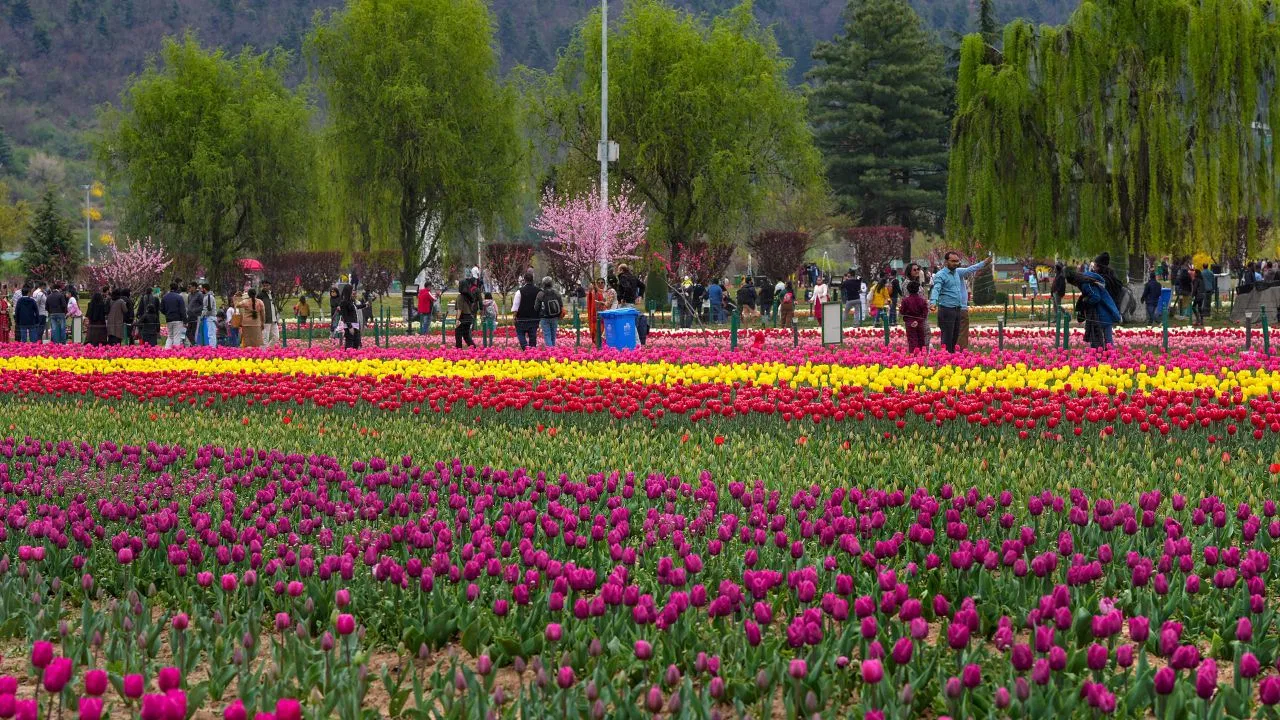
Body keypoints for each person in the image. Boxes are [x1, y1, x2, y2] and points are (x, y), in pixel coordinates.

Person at [929, 251, 991, 353]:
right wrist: (933, 301)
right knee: (947, 336)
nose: (956, 263)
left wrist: (984, 263)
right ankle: (945, 357)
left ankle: (952, 356)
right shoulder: (941, 275)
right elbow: (936, 289)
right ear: (946, 262)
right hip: (946, 309)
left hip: (957, 309)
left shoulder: (958, 272)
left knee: (955, 336)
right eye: (953, 261)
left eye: (957, 261)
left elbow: (971, 269)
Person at [1065, 265, 1120, 348]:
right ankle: (1107, 357)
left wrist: (1085, 301)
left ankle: (1109, 357)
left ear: (1074, 281)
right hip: (1105, 310)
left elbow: (1096, 297)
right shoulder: (1086, 277)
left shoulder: (1085, 284)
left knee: (1107, 340)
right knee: (1106, 340)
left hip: (1102, 312)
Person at [511, 272, 541, 350]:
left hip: (522, 318)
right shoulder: (539, 291)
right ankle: (533, 350)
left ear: (524, 280)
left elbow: (516, 306)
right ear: (532, 280)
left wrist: (514, 316)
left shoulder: (520, 291)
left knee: (520, 333)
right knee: (532, 335)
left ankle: (525, 346)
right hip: (534, 318)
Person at [901, 281, 929, 354]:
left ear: (908, 290)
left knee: (912, 340)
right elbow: (925, 313)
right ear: (918, 289)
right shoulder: (922, 301)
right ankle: (921, 356)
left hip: (909, 323)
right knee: (921, 339)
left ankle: (913, 357)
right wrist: (918, 320)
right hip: (919, 322)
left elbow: (902, 312)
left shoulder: (905, 301)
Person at [535, 277, 563, 348]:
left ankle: (551, 351)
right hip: (555, 317)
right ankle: (553, 350)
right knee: (553, 335)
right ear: (551, 283)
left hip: (544, 317)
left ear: (543, 284)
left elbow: (536, 307)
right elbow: (561, 305)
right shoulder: (556, 293)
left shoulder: (540, 294)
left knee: (547, 335)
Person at [454, 278, 477, 349]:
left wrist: (457, 320)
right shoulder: (469, 296)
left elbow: (459, 309)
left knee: (458, 335)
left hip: (462, 318)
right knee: (466, 335)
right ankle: (474, 348)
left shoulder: (460, 297)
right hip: (469, 318)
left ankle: (458, 350)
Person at [161, 283, 186, 349]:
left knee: (170, 336)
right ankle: (176, 352)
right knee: (177, 336)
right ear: (177, 288)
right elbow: (182, 310)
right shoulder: (179, 297)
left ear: (170, 288)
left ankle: (167, 350)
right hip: (178, 319)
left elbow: (161, 309)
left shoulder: (165, 297)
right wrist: (185, 320)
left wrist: (167, 313)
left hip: (169, 319)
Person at [259, 281, 279, 347]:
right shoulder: (260, 295)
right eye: (264, 286)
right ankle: (263, 354)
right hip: (266, 320)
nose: (265, 287)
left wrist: (277, 316)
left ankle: (268, 348)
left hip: (274, 319)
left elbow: (274, 306)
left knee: (276, 337)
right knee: (265, 338)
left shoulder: (272, 294)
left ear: (270, 286)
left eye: (267, 285)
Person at [185, 282, 204, 346]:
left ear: (194, 287)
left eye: (190, 287)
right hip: (190, 316)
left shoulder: (199, 295)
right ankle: (193, 344)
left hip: (196, 316)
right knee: (187, 332)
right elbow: (189, 305)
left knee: (194, 332)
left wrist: (195, 310)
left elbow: (203, 305)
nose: (189, 288)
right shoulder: (189, 295)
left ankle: (193, 345)